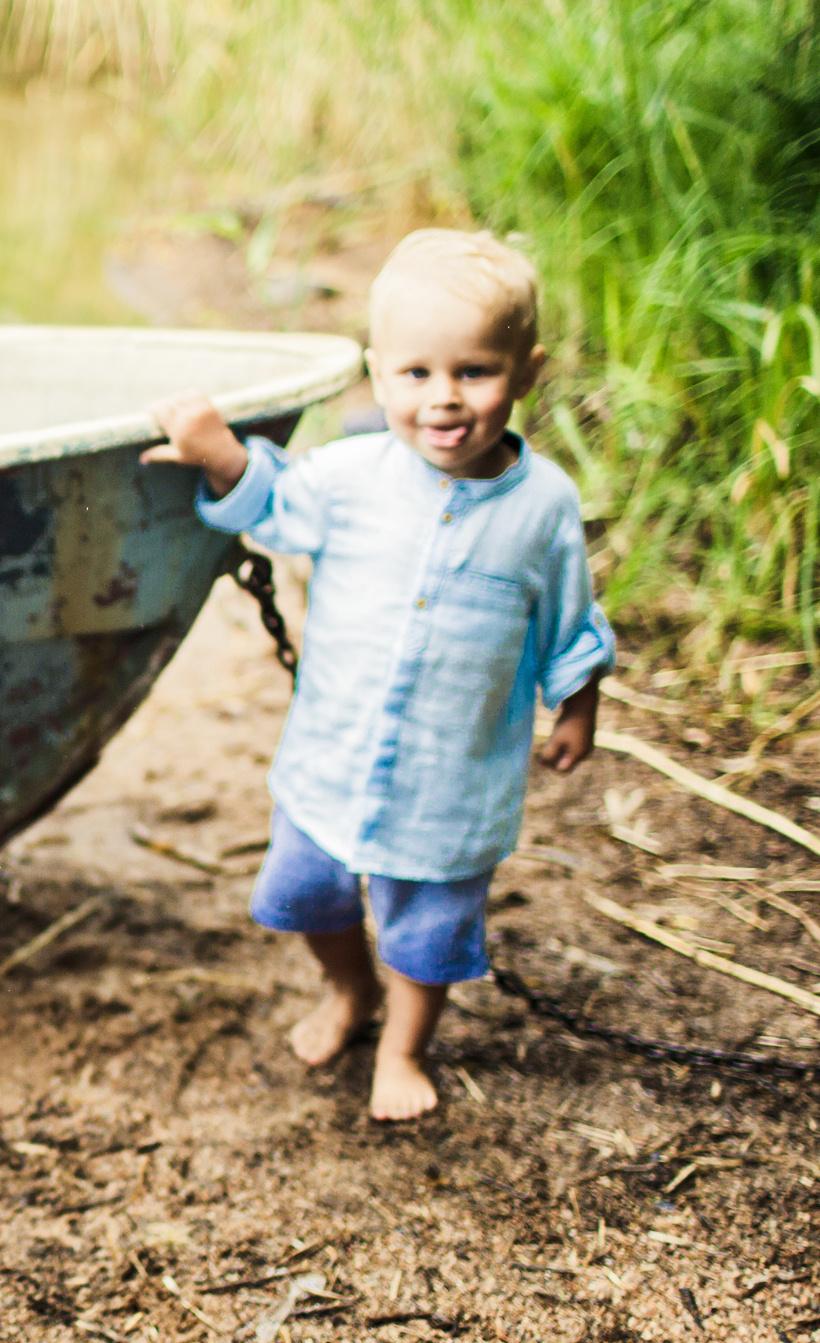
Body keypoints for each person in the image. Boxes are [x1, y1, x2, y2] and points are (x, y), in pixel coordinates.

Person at [143, 228, 615, 1121]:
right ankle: (347, 991)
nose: (443, 399)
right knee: (307, 890)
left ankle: (403, 1044)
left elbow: (571, 617)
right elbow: (276, 502)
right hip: (333, 759)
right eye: (415, 374)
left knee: (428, 931)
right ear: (377, 370)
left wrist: (577, 706)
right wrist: (215, 450)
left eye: (474, 372)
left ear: (527, 370)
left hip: (453, 780)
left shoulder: (544, 506)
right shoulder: (353, 475)